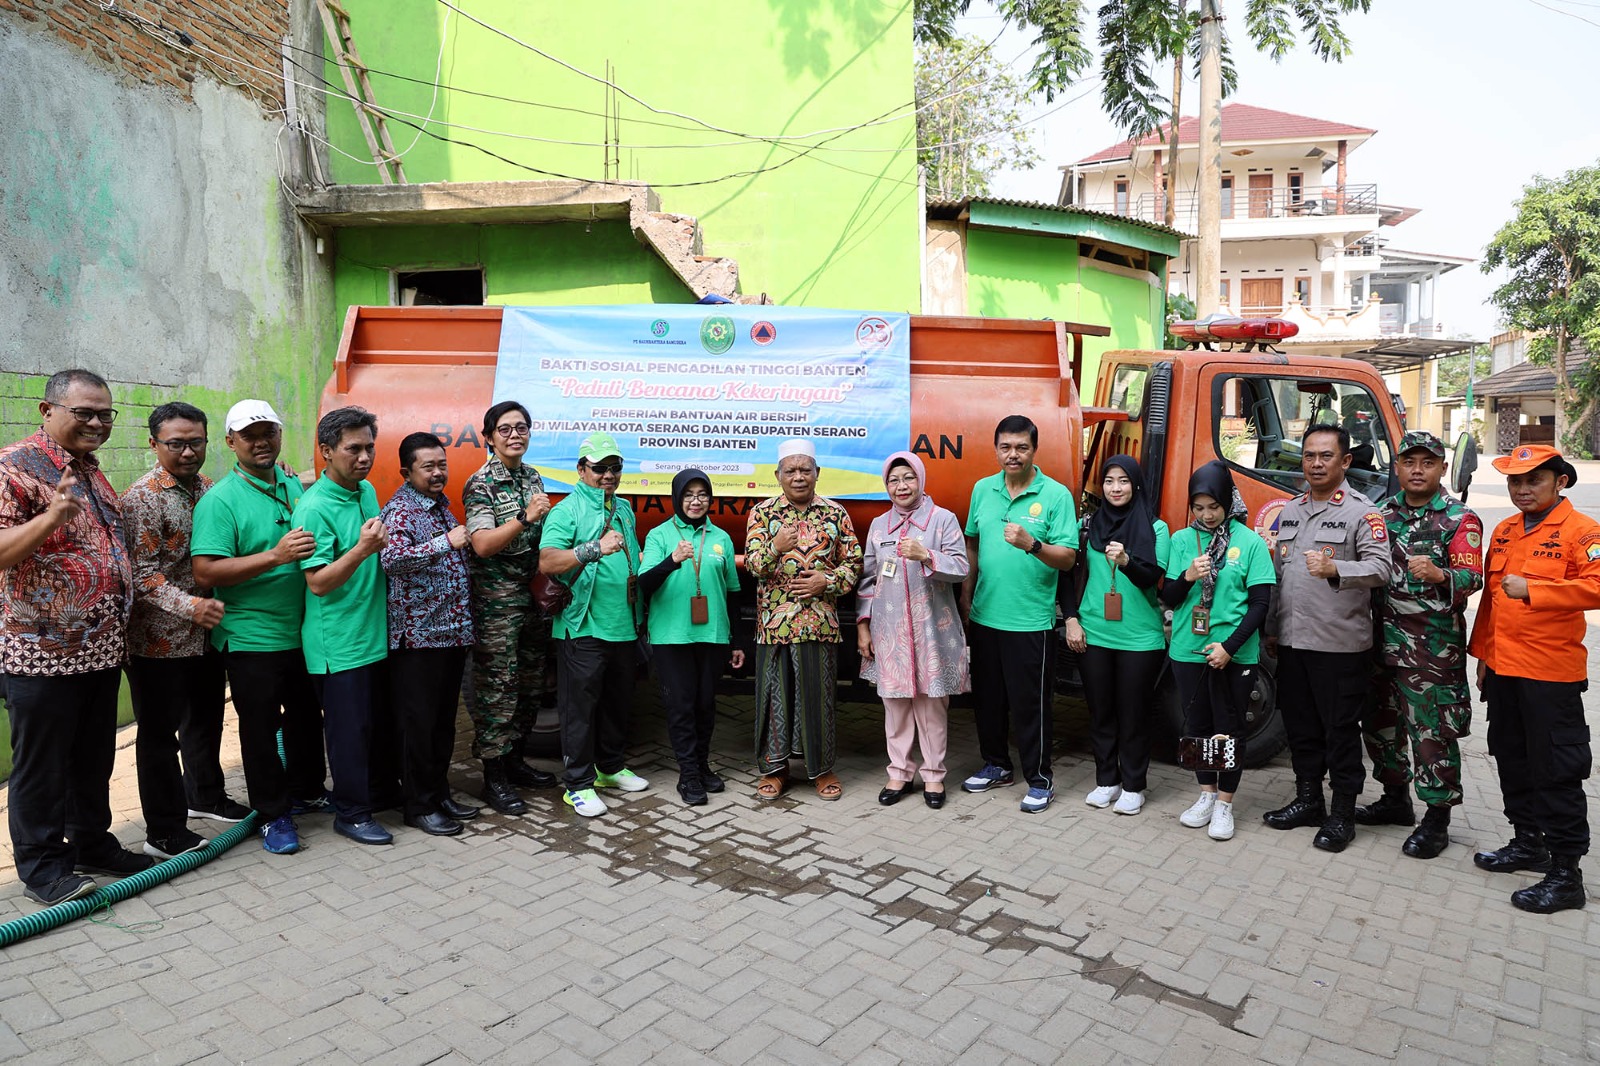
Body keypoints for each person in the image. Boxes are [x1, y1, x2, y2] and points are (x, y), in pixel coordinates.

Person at [0, 369, 150, 905]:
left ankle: (90, 843)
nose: (96, 422)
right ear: (46, 411)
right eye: (83, 412)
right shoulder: (15, 467)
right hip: (41, 653)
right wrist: (52, 517)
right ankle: (42, 867)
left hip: (101, 650)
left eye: (105, 413)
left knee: (92, 758)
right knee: (42, 767)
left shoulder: (90, 469)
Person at [192, 399, 327, 856]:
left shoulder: (290, 482)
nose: (260, 441)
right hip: (251, 634)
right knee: (260, 728)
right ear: (230, 442)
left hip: (302, 629)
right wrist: (276, 556)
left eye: (268, 431)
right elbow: (207, 572)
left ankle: (307, 790)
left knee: (308, 717)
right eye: (249, 435)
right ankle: (273, 815)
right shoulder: (220, 501)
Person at [1469, 444, 1600, 913]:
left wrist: (1537, 589)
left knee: (1556, 768)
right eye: (1515, 482)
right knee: (1511, 756)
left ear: (1560, 481)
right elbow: (1490, 602)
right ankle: (1528, 842)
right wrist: (1483, 656)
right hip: (1504, 670)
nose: (1522, 490)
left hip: (1550, 673)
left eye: (1534, 481)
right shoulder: (1504, 531)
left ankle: (1566, 874)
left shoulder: (1582, 531)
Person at [122, 402, 244, 863]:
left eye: (196, 442)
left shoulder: (208, 490)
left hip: (204, 634)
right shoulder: (144, 498)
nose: (188, 452)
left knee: (207, 718)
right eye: (176, 443)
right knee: (158, 736)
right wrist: (191, 606)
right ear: (154, 444)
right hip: (158, 641)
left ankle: (206, 797)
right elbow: (142, 574)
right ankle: (165, 830)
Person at [1261, 423, 1392, 853]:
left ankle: (1342, 812)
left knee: (1339, 731)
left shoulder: (1362, 512)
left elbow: (1382, 569)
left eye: (1326, 456)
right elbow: (1281, 578)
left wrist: (1337, 569)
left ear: (1345, 461)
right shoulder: (1291, 511)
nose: (1316, 464)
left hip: (1338, 646)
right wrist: (1273, 632)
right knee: (1301, 726)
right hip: (1295, 642)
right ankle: (1308, 799)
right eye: (1309, 456)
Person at [1357, 431, 1483, 859]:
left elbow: (1473, 577)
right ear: (1396, 468)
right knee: (1381, 726)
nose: (1416, 469)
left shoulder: (1458, 518)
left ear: (1441, 469)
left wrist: (1441, 575)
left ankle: (1437, 818)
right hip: (1380, 644)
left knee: (1432, 733)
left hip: (1431, 651)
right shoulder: (1380, 514)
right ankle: (1395, 800)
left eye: (1427, 463)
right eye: (1409, 462)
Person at [960, 415, 1078, 814]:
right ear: (996, 449)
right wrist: (966, 599)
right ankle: (996, 765)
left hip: (1030, 621)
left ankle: (1039, 780)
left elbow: (1068, 560)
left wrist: (1032, 544)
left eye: (1021, 447)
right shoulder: (982, 490)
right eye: (1006, 447)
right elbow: (972, 547)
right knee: (988, 701)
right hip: (985, 616)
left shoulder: (1057, 495)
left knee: (1031, 705)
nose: (1013, 455)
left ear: (1034, 450)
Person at [1158, 462, 1275, 842]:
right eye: (1198, 507)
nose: (1206, 515)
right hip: (1187, 651)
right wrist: (1187, 576)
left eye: (1213, 506)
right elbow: (1169, 597)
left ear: (1227, 501)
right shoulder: (1180, 541)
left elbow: (1260, 605)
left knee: (1229, 730)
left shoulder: (1250, 543)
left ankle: (1225, 803)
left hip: (1234, 654)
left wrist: (1228, 648)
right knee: (1197, 728)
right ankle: (1206, 795)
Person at [745, 439, 863, 803]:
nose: (799, 477)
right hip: (775, 627)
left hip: (819, 623)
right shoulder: (762, 514)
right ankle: (775, 769)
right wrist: (775, 547)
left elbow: (854, 563)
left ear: (817, 474)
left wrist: (826, 581)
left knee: (819, 698)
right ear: (778, 475)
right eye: (791, 471)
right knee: (774, 699)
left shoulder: (835, 513)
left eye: (805, 470)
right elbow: (753, 566)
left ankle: (822, 768)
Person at [293, 407, 391, 846]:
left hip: (371, 635)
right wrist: (363, 549)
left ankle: (371, 796)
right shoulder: (313, 509)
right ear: (327, 451)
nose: (365, 457)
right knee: (348, 735)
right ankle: (351, 814)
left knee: (373, 728)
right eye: (354, 449)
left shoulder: (365, 490)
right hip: (338, 643)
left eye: (370, 446)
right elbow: (318, 583)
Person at [539, 432, 650, 818]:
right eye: (599, 468)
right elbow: (548, 561)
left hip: (622, 624)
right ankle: (578, 785)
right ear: (582, 469)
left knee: (617, 704)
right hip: (583, 626)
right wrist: (593, 548)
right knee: (579, 710)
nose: (608, 475)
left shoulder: (623, 508)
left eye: (614, 467)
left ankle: (610, 767)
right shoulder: (566, 510)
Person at [380, 432, 481, 835]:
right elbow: (392, 560)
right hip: (419, 639)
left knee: (442, 723)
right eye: (429, 466)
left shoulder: (440, 505)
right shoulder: (401, 511)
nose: (438, 472)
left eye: (442, 464)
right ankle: (417, 805)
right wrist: (445, 542)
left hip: (451, 635)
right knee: (418, 726)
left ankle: (439, 793)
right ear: (406, 471)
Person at [856, 452, 968, 810]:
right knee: (896, 703)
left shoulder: (942, 520)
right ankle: (900, 772)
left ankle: (934, 775)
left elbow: (961, 568)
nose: (901, 486)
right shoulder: (878, 526)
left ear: (920, 480)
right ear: (886, 486)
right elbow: (868, 581)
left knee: (932, 703)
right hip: (889, 634)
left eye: (908, 478)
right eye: (893, 480)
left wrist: (927, 555)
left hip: (931, 630)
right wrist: (863, 627)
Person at [462, 400, 557, 815]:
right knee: (497, 687)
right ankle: (493, 776)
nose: (515, 435)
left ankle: (516, 761)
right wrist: (524, 515)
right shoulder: (480, 483)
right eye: (505, 429)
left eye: (522, 427)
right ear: (489, 438)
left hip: (531, 596)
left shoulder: (532, 476)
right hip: (496, 602)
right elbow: (481, 544)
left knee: (531, 684)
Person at [1064, 456, 1170, 816]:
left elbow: (1153, 576)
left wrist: (1127, 561)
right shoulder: (1087, 525)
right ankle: (1106, 780)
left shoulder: (1156, 528)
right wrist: (1072, 619)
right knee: (1101, 712)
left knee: (1134, 713)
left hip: (1139, 639)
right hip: (1094, 633)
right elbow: (1068, 576)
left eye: (1123, 481)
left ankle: (1134, 785)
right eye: (1109, 481)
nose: (1115, 488)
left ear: (1136, 484)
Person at [639, 469, 744, 806]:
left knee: (705, 704)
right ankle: (688, 775)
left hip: (712, 636)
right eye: (688, 494)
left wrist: (737, 640)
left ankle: (701, 765)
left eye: (702, 494)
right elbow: (644, 583)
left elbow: (733, 593)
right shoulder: (659, 535)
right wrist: (672, 560)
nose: (696, 501)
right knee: (681, 705)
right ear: (676, 498)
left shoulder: (721, 538)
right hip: (672, 636)